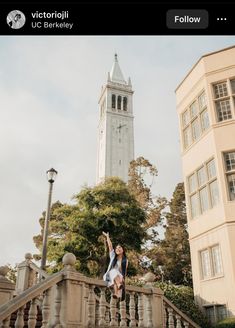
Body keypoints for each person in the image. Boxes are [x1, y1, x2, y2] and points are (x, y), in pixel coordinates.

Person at [102, 231, 128, 300]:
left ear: (123, 250)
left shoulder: (125, 260)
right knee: (113, 271)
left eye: (119, 248)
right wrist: (107, 237)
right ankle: (119, 285)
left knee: (116, 276)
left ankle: (116, 294)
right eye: (116, 248)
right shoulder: (113, 256)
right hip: (109, 276)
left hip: (118, 278)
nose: (118, 249)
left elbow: (124, 272)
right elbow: (110, 246)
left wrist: (123, 280)